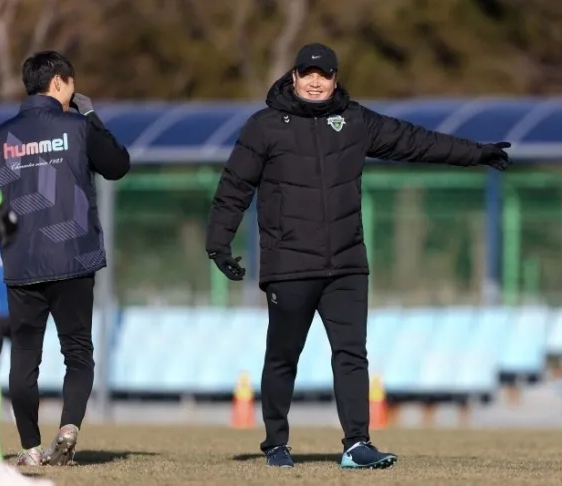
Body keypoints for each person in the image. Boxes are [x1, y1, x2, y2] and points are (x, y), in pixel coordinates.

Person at [205, 43, 512, 470]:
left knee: (351, 354)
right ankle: (276, 442)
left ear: (335, 78)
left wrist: (474, 153)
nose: (316, 81)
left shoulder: (354, 121)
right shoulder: (265, 126)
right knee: (282, 356)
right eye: (307, 73)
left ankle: (356, 445)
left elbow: (415, 142)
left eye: (324, 74)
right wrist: (218, 243)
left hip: (347, 263)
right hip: (290, 265)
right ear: (293, 77)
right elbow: (234, 186)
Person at [0, 51, 131, 467]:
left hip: (21, 261)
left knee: (24, 355)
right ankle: (69, 428)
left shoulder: (3, 136)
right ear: (59, 82)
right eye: (71, 84)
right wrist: (91, 117)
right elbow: (117, 165)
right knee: (77, 352)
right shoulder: (78, 126)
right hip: (73, 256)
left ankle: (31, 449)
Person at [0, 193, 55, 485]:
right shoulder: (23, 215)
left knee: (23, 375)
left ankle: (28, 447)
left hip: (15, 304)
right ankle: (29, 447)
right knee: (27, 372)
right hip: (20, 304)